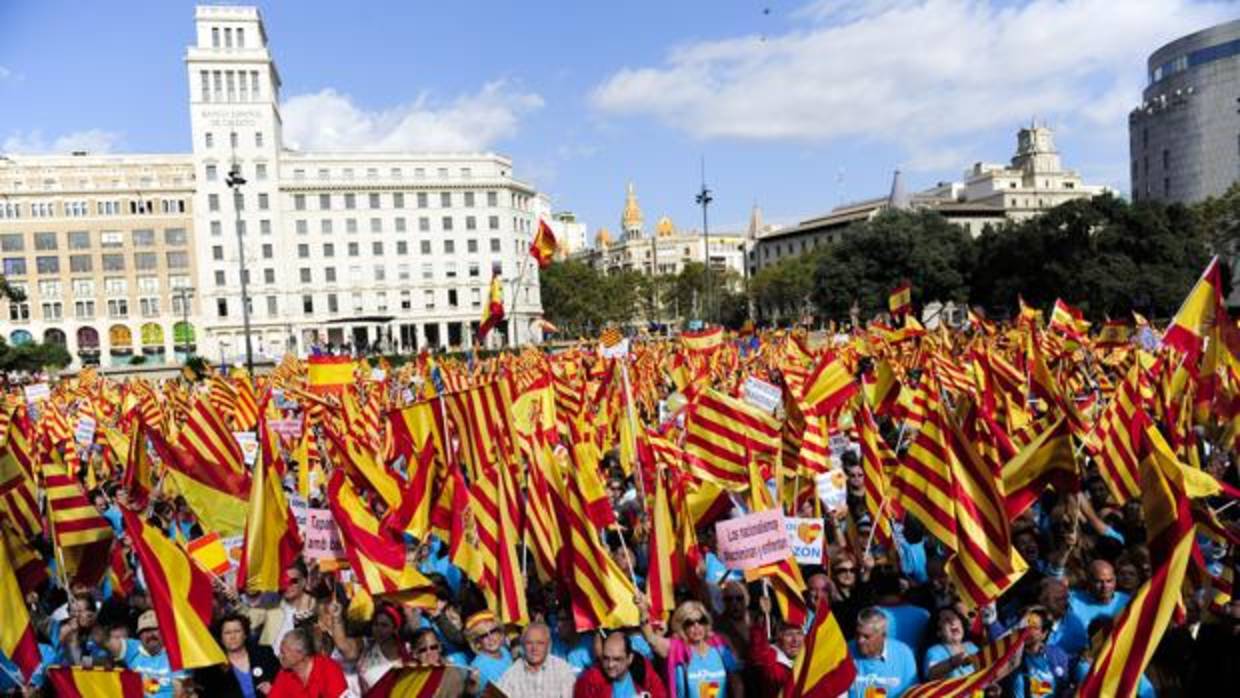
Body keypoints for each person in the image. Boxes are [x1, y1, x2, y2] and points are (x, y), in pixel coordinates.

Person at [639, 598, 744, 698]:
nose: (697, 626)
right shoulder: (676, 649)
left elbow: (736, 682)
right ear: (682, 626)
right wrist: (643, 612)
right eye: (690, 623)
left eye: (701, 621)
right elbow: (651, 638)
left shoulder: (720, 646)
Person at [327, 601, 410, 693]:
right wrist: (336, 617)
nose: (378, 629)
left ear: (395, 629)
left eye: (384, 625)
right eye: (375, 624)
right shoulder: (366, 645)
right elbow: (343, 645)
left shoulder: (408, 651)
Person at [195, 612, 281, 698]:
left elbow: (284, 681)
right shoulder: (213, 667)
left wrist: (274, 690)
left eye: (237, 631)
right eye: (227, 633)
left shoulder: (264, 654)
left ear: (245, 635)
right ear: (221, 638)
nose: (232, 637)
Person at [108, 610, 188, 698]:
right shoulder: (133, 651)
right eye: (145, 631)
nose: (150, 635)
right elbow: (105, 641)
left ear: (163, 630)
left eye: (153, 629)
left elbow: (180, 691)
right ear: (139, 636)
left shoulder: (177, 653)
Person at [848, 607, 918, 698]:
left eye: (866, 636)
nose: (860, 640)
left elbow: (913, 693)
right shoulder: (846, 651)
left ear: (883, 635)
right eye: (857, 634)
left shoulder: (903, 654)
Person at [574, 630, 668, 698]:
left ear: (629, 658)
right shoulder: (590, 681)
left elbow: (660, 694)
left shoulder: (642, 669)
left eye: (617, 659)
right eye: (606, 658)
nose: (610, 665)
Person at [494, 622, 576, 698]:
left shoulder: (563, 670)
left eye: (540, 643)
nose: (534, 648)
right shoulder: (511, 675)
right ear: (522, 645)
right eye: (529, 643)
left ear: (549, 645)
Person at [1005, 606, 1071, 698]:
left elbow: (1065, 685)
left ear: (1044, 634)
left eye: (1034, 627)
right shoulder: (1013, 656)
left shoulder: (1056, 655)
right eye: (1025, 625)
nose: (1027, 630)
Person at [746, 594, 805, 695]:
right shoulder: (771, 657)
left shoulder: (809, 654)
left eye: (799, 634)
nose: (795, 640)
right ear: (778, 636)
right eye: (789, 634)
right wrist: (763, 617)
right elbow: (758, 654)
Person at [267, 627, 349, 698]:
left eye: (283, 652)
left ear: (300, 654)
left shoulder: (328, 669)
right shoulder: (285, 673)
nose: (279, 656)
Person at [409, 627, 470, 697]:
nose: (429, 653)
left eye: (433, 647)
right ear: (414, 654)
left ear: (440, 647)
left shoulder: (451, 673)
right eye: (423, 650)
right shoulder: (407, 676)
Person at [922, 607, 978, 681]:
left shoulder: (971, 647)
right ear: (939, 632)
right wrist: (952, 663)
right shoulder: (934, 651)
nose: (952, 622)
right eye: (946, 620)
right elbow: (931, 674)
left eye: (955, 618)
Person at [464, 611, 511, 696]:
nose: (490, 638)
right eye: (484, 635)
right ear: (477, 642)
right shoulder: (478, 666)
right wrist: (472, 684)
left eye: (493, 631)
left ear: (500, 633)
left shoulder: (504, 650)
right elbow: (472, 691)